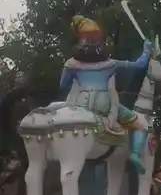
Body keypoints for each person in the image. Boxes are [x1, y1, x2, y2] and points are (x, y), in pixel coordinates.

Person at [59, 15, 153, 173]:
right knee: (143, 125)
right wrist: (146, 50)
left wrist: (70, 73)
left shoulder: (71, 64)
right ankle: (135, 154)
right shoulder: (111, 64)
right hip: (104, 103)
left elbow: (63, 86)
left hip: (81, 105)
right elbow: (140, 65)